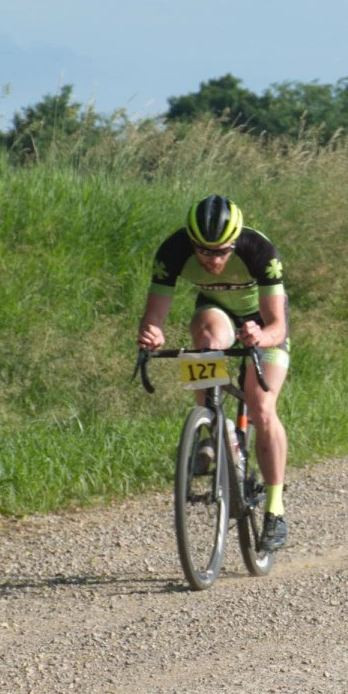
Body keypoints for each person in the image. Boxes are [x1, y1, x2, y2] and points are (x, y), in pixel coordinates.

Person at [137, 195, 293, 550]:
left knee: (261, 407)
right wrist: (152, 333)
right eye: (204, 252)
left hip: (263, 321)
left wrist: (260, 335)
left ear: (235, 243)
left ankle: (275, 509)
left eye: (222, 251)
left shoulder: (260, 250)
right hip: (216, 310)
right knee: (206, 340)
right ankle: (214, 429)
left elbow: (278, 326)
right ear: (191, 243)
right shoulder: (173, 251)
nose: (213, 259)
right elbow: (154, 315)